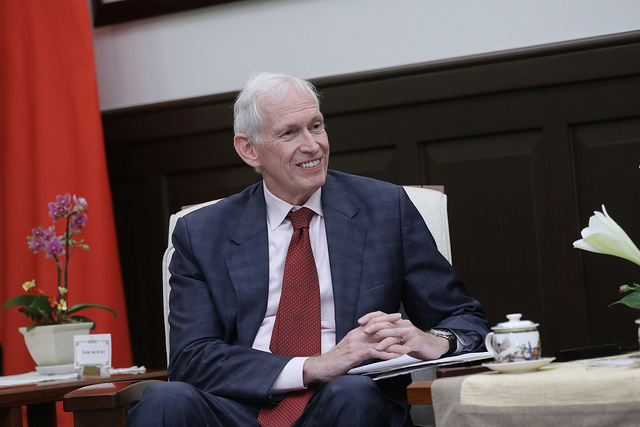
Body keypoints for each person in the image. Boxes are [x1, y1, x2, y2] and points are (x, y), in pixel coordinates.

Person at [126, 72, 489, 427]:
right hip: (240, 408)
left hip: (347, 400)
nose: (312, 145)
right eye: (289, 132)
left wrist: (434, 340)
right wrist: (313, 366)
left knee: (352, 392)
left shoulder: (384, 209)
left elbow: (463, 318)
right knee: (163, 400)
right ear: (249, 149)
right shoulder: (202, 232)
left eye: (316, 126)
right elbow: (191, 358)